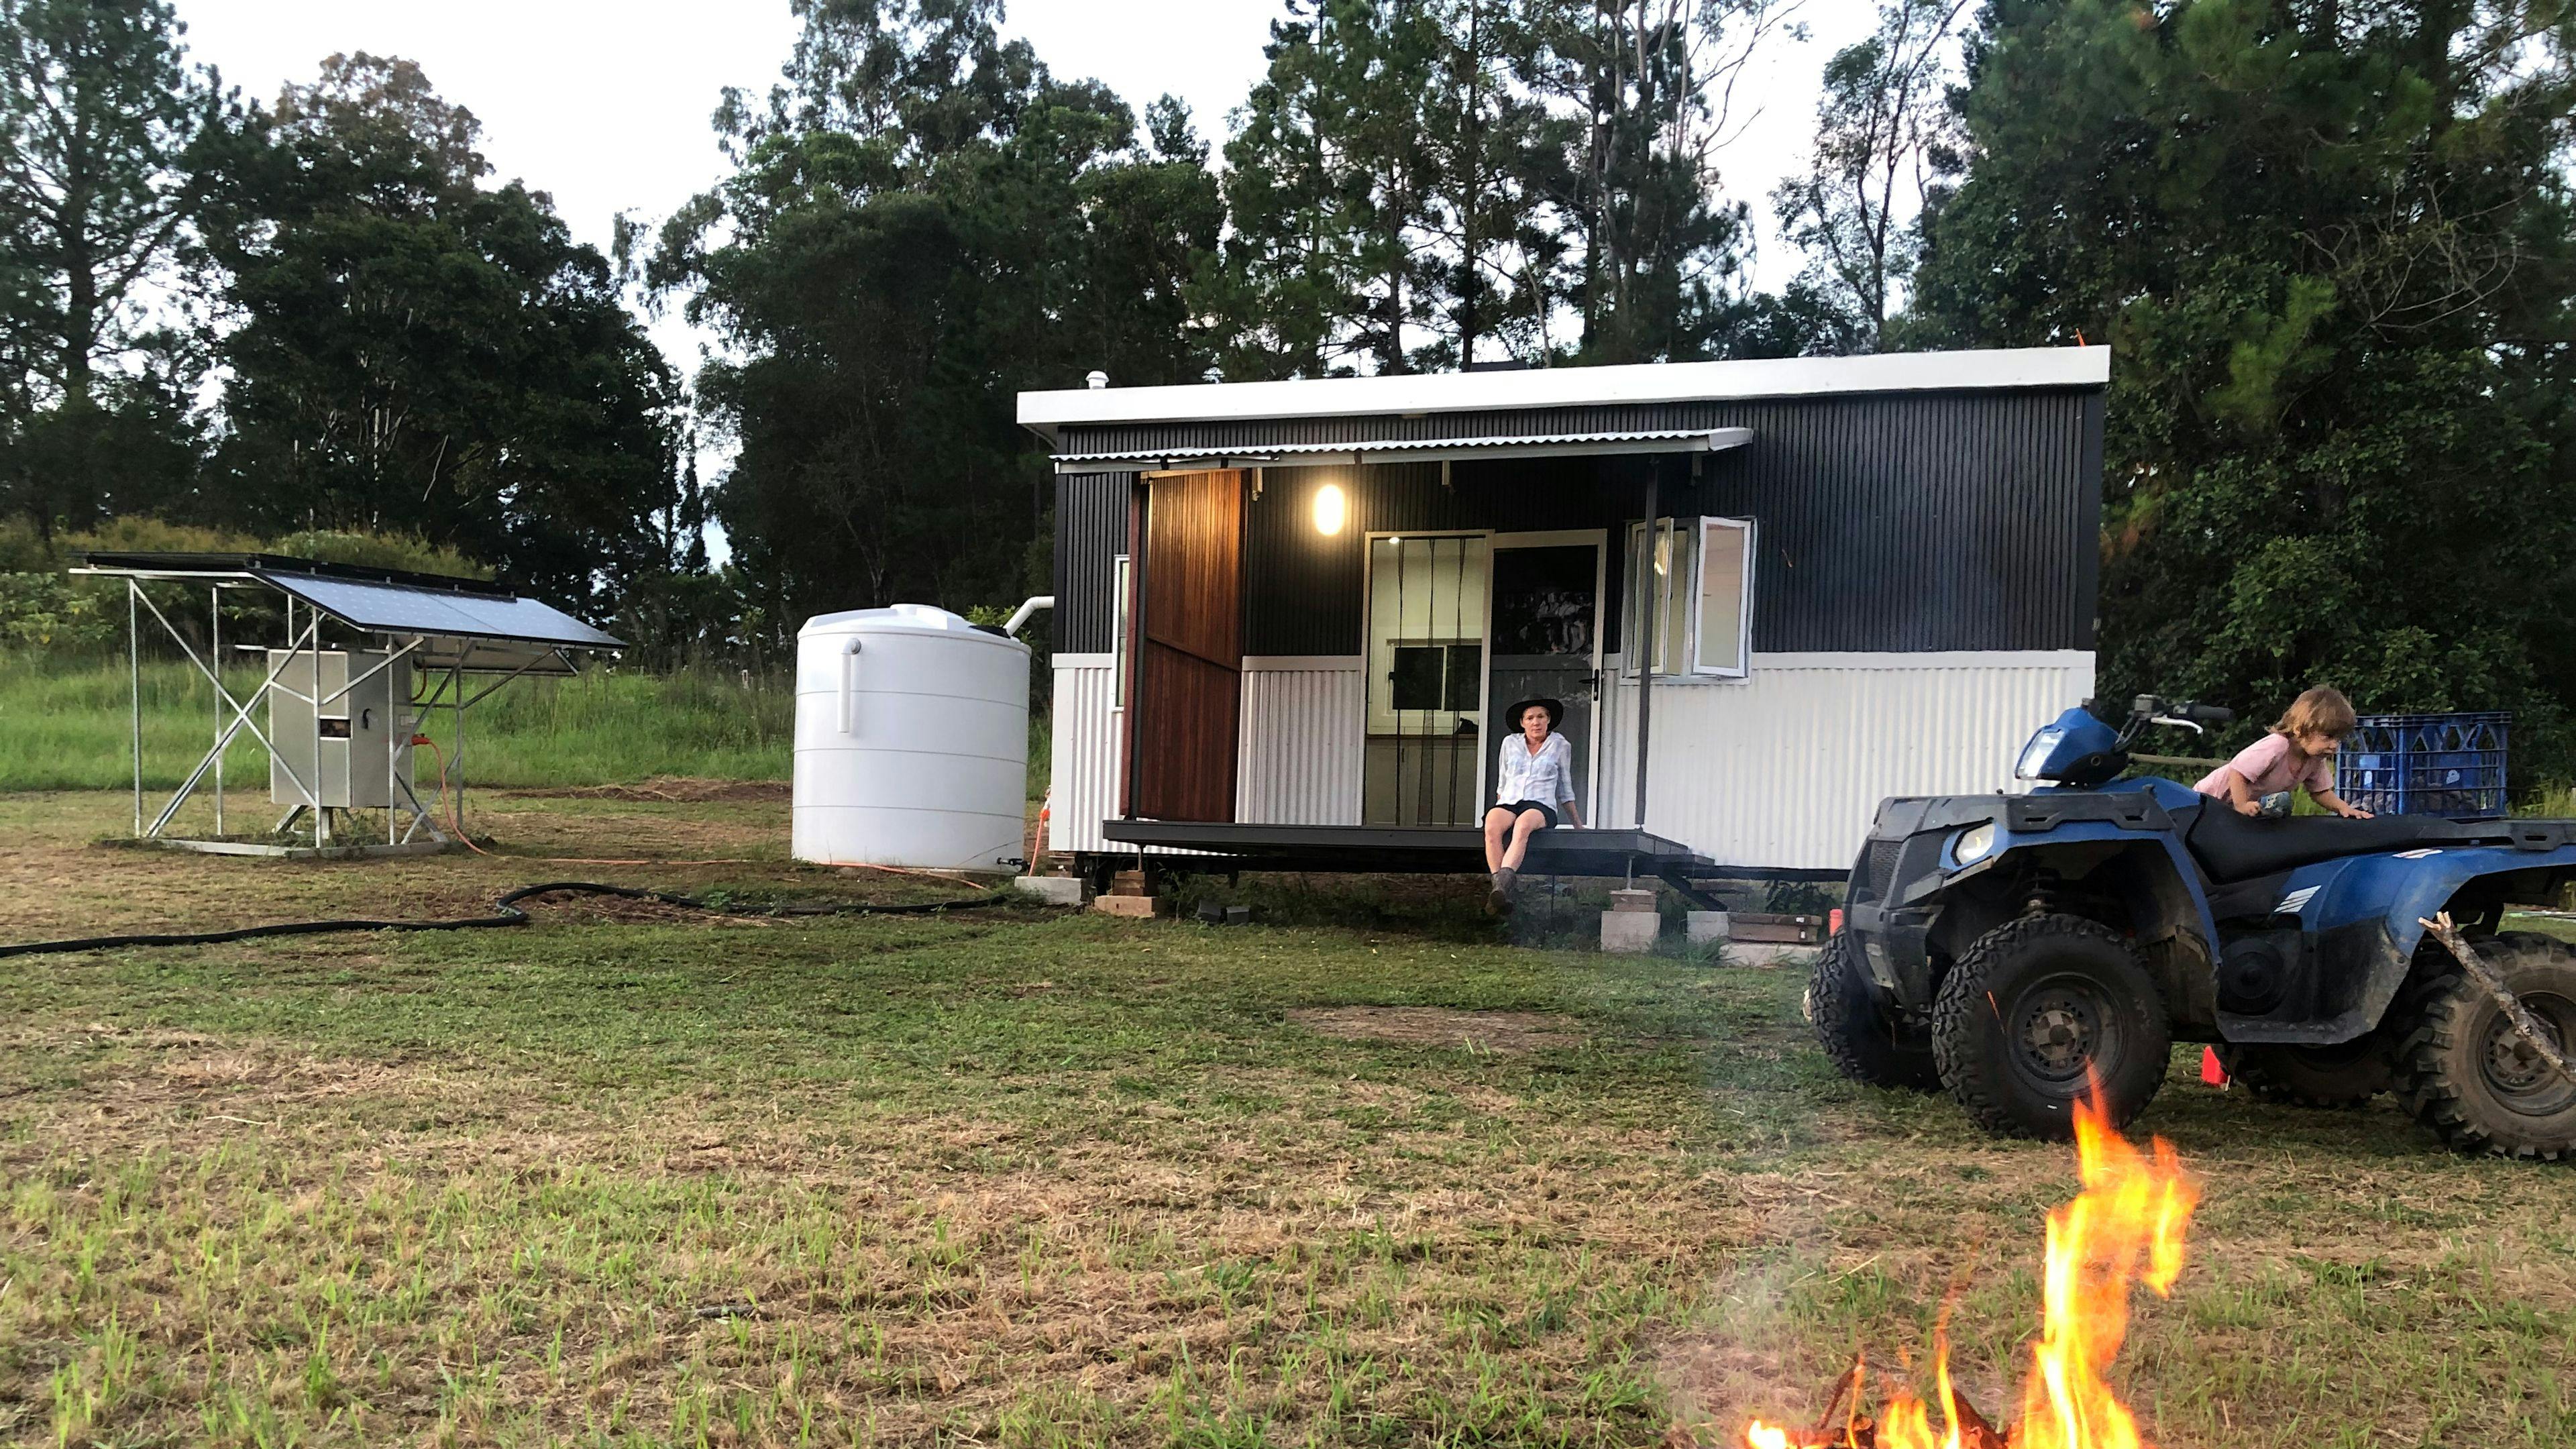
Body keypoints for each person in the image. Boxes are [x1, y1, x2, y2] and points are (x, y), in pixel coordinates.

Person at [2194, 686, 2375, 818]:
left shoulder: (2314, 760)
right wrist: (2242, 805)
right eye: (2328, 737)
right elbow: (2238, 772)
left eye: (2339, 739)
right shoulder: (2277, 746)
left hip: (2233, 811)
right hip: (2204, 801)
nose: (2335, 746)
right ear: (2299, 729)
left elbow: (2320, 792)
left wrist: (2344, 808)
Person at [1485, 697, 1581, 910]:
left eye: (1541, 717)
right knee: (1491, 826)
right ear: (1522, 723)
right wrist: (1499, 806)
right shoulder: (1509, 743)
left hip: (1540, 805)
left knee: (1523, 825)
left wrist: (1578, 825)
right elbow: (1503, 782)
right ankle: (1500, 890)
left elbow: (1565, 788)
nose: (1536, 722)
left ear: (1549, 720)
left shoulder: (1560, 745)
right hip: (1510, 801)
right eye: (1530, 718)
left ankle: (1501, 890)